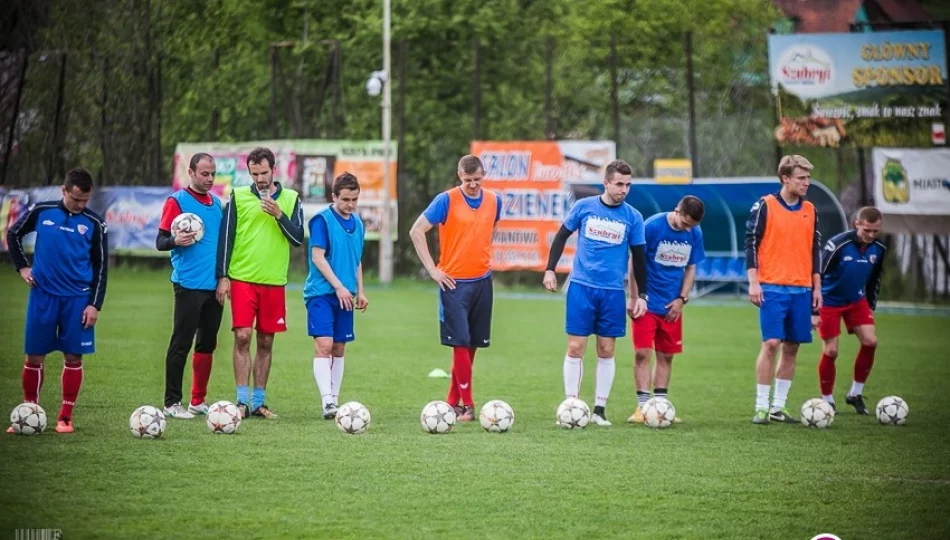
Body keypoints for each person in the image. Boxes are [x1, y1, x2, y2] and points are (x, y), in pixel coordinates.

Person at [543, 159, 647, 427]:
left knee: (606, 349)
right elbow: (560, 237)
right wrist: (550, 270)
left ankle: (599, 410)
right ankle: (572, 404)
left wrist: (640, 296)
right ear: (606, 183)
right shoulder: (583, 207)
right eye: (619, 184)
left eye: (628, 185)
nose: (624, 189)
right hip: (581, 287)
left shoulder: (633, 217)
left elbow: (639, 258)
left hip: (612, 292)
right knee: (576, 347)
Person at [6, 167, 108, 434]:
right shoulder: (42, 211)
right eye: (76, 199)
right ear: (64, 191)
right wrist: (23, 267)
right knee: (34, 356)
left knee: (73, 357)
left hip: (77, 299)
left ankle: (65, 417)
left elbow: (101, 267)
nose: (80, 205)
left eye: (85, 200)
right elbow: (13, 234)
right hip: (43, 296)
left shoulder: (95, 224)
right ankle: (29, 412)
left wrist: (94, 304)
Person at [409, 155, 501, 422]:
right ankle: (469, 405)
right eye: (468, 180)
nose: (473, 185)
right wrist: (433, 269)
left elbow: (489, 229)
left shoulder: (495, 201)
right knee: (459, 342)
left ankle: (453, 402)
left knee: (472, 344)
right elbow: (417, 231)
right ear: (459, 176)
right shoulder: (446, 200)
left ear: (483, 176)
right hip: (453, 284)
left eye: (477, 180)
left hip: (482, 281)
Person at [216, 147, 304, 419]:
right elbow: (226, 238)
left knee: (266, 341)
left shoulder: (291, 198)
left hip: (274, 281)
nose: (260, 178)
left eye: (264, 172)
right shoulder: (239, 197)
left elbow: (298, 238)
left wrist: (279, 215)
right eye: (255, 173)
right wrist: (222, 276)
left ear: (274, 170)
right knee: (243, 336)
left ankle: (258, 402)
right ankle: (241, 401)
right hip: (242, 279)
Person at [746, 154, 822, 425]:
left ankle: (778, 407)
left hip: (802, 289)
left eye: (808, 178)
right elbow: (751, 243)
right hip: (771, 286)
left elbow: (815, 251)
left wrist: (817, 287)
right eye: (801, 178)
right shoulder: (765, 205)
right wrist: (754, 281)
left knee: (791, 347)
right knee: (771, 343)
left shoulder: (811, 209)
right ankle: (761, 407)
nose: (806, 183)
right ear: (785, 178)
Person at [155, 153, 224, 419]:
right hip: (188, 285)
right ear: (191, 173)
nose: (209, 179)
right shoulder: (177, 201)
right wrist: (176, 240)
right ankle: (172, 402)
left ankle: (198, 400)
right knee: (181, 343)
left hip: (214, 286)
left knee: (207, 344)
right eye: (204, 173)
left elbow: (221, 248)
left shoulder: (217, 205)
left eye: (212, 174)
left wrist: (223, 277)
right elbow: (160, 242)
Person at [628, 196, 705, 424]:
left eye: (692, 226)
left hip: (672, 305)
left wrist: (682, 298)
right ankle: (642, 408)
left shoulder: (694, 234)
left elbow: (691, 268)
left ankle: (660, 407)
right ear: (677, 211)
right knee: (642, 352)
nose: (688, 229)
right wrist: (634, 297)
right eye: (685, 223)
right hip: (647, 301)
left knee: (667, 355)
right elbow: (635, 262)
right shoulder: (652, 226)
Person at [304, 172, 368, 420]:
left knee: (340, 347)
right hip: (321, 294)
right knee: (325, 345)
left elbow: (356, 260)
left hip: (346, 295)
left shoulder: (359, 223)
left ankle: (335, 399)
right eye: (345, 199)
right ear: (334, 197)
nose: (350, 204)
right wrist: (339, 286)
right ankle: (327, 401)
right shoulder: (322, 220)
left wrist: (359, 291)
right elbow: (317, 257)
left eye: (354, 199)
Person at [815, 206, 886, 414]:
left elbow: (874, 279)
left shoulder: (879, 248)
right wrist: (813, 307)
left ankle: (855, 393)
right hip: (828, 301)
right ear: (857, 224)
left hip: (856, 300)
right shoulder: (838, 244)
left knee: (871, 342)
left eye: (876, 231)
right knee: (831, 351)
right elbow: (817, 273)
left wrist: (870, 305)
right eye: (867, 231)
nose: (872, 235)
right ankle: (827, 400)